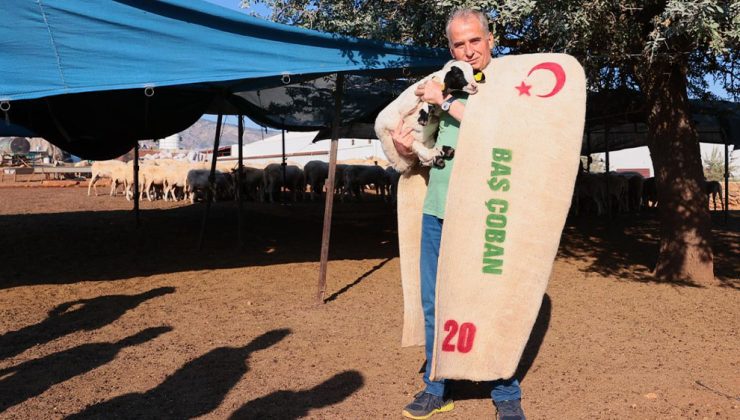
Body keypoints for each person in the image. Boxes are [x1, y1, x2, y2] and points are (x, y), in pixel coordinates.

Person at [391, 8, 526, 420]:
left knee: (491, 302)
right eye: (458, 44)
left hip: (487, 211)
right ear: (450, 48)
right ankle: (437, 387)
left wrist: (446, 100)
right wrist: (404, 145)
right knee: (436, 302)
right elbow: (427, 138)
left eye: (475, 41)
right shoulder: (446, 80)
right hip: (439, 209)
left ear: (490, 39)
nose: (468, 51)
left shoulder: (507, 84)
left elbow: (503, 131)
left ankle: (505, 392)